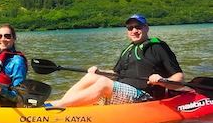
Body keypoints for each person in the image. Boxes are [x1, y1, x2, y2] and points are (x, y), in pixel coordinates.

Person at [49, 14, 184, 108]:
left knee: (103, 82)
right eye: (130, 28)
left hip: (144, 96)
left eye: (138, 27)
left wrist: (162, 80)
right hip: (122, 93)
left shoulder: (158, 47)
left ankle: (59, 106)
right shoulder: (128, 49)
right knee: (93, 76)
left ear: (146, 28)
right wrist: (99, 72)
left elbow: (179, 76)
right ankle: (62, 103)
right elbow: (115, 74)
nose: (134, 31)